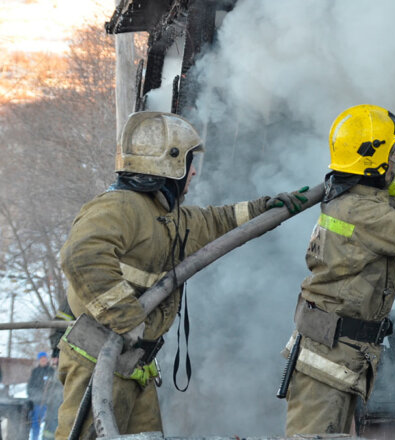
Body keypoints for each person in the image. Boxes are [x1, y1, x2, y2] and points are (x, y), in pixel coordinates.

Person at [55, 111, 309, 440]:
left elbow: (217, 221)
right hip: (98, 363)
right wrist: (126, 316)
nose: (193, 173)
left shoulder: (166, 216)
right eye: (189, 163)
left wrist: (268, 208)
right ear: (169, 165)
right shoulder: (120, 207)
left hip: (134, 366)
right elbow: (81, 255)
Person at [282, 104, 395, 435]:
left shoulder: (349, 199)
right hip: (329, 360)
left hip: (338, 356)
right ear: (377, 160)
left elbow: (379, 207)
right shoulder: (362, 213)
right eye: (393, 154)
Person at [28, 352, 53, 440]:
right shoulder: (35, 371)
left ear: (47, 359)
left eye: (44, 358)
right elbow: (30, 386)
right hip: (37, 402)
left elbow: (54, 387)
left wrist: (49, 397)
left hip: (48, 403)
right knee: (35, 422)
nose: (43, 360)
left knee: (47, 424)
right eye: (41, 358)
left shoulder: (51, 371)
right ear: (39, 360)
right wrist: (32, 396)